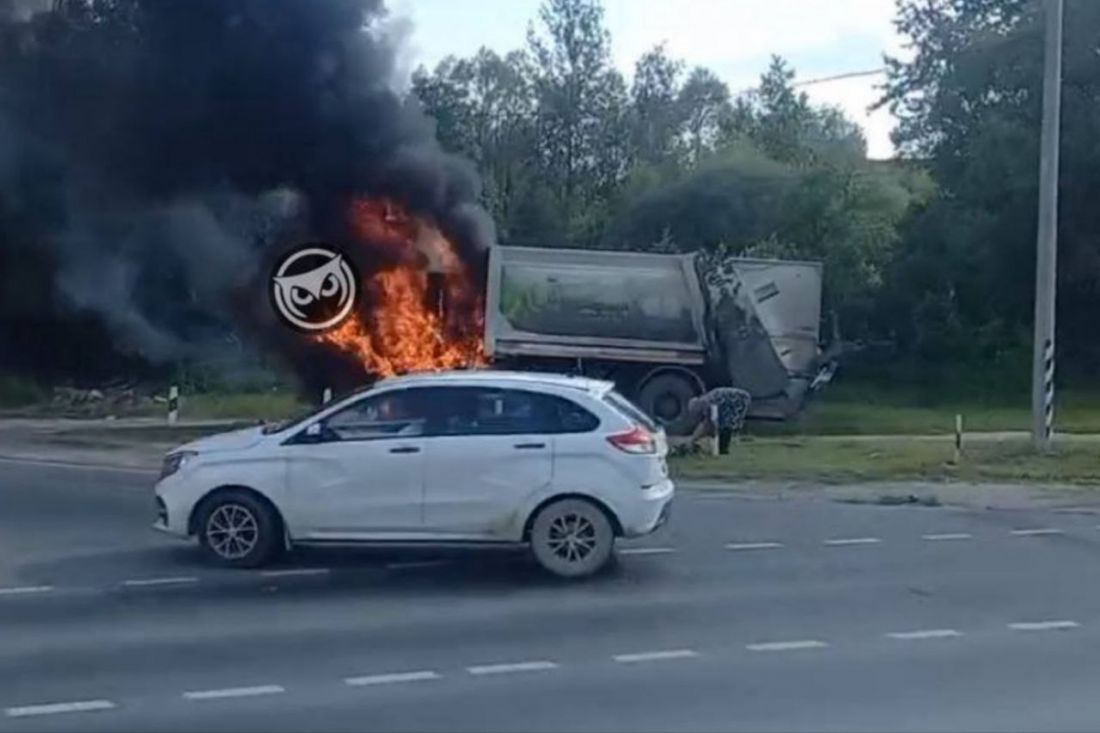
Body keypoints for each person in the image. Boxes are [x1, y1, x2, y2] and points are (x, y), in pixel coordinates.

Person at [687, 387, 752, 455]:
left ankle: (723, 449)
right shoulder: (705, 400)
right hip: (730, 400)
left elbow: (712, 421)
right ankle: (723, 448)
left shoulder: (708, 402)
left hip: (739, 399)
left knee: (727, 424)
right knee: (726, 423)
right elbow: (708, 422)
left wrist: (694, 438)